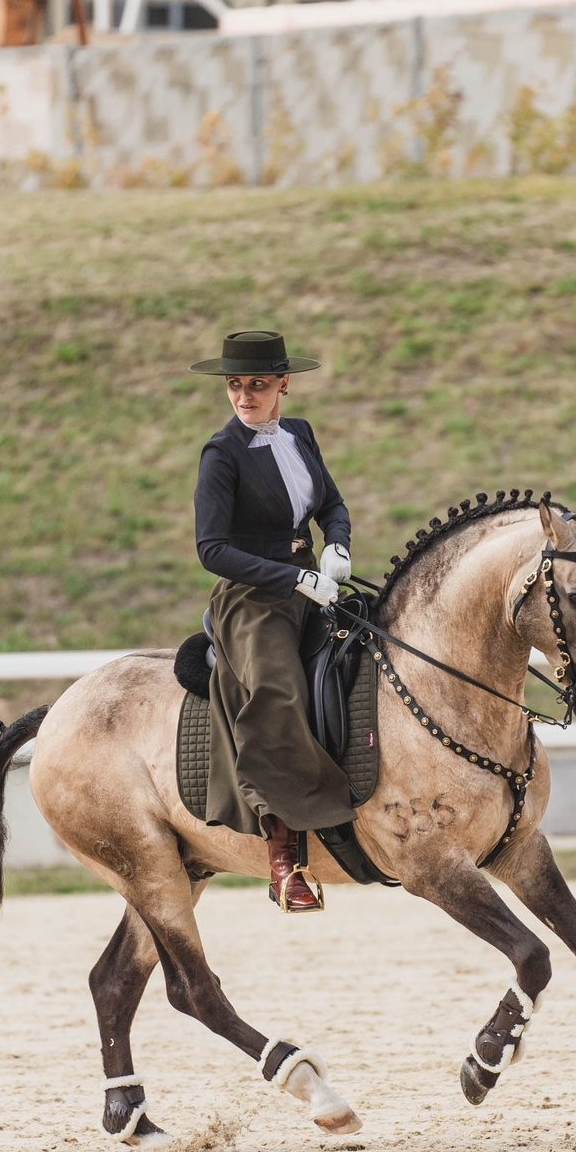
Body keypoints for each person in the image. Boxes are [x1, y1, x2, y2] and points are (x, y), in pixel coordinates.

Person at [189, 329, 356, 912]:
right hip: (252, 595)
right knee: (276, 689)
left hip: (316, 580)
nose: (244, 396)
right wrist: (292, 579)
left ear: (283, 383)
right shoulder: (221, 454)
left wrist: (337, 545)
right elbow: (211, 549)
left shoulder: (300, 433)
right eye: (235, 385)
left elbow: (330, 504)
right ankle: (284, 855)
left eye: (257, 385)